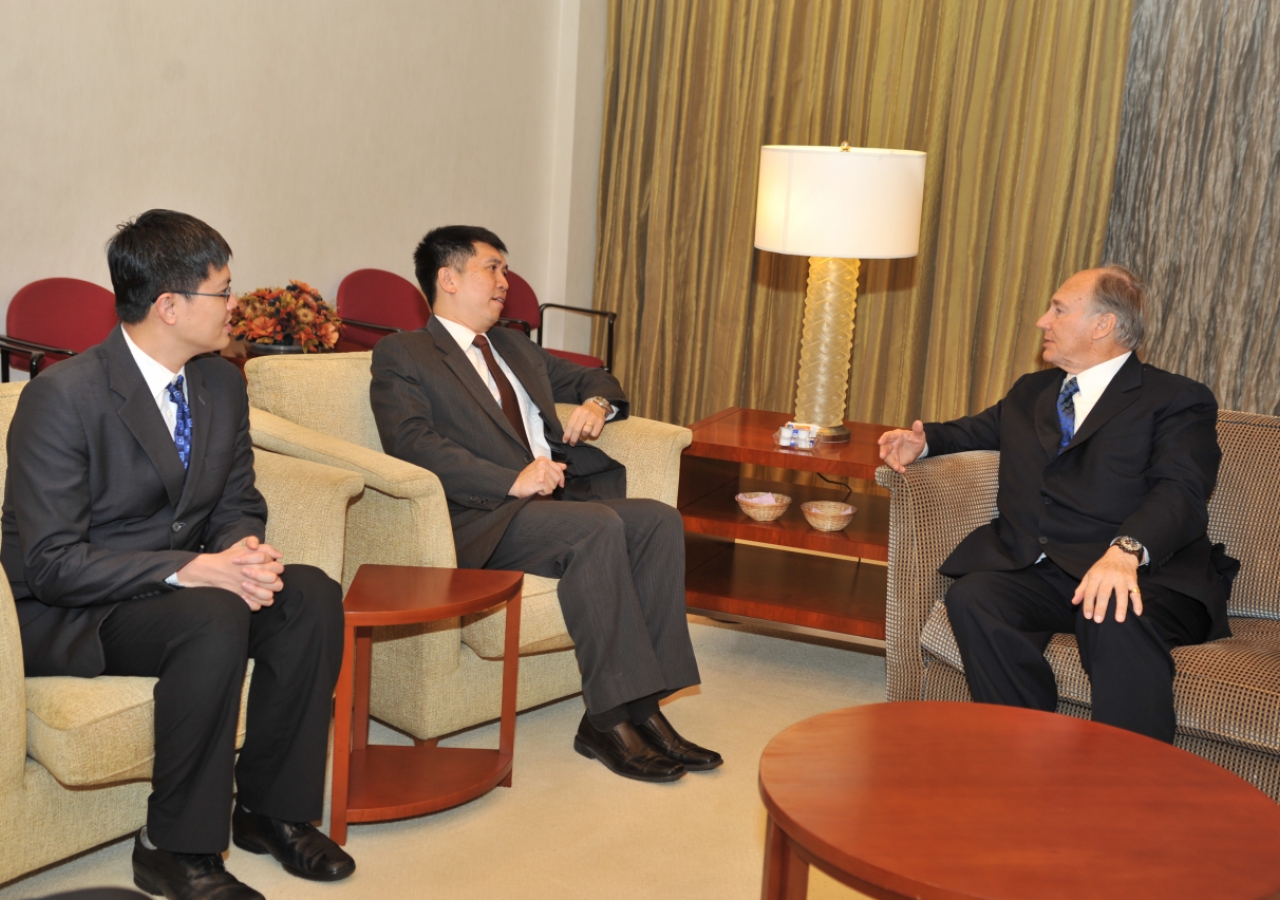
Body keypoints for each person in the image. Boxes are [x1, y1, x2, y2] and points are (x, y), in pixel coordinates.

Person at [2, 210, 355, 900]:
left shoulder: (220, 382)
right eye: (222, 292)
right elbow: (48, 562)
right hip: (76, 610)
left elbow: (237, 500)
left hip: (177, 590)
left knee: (310, 595)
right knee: (213, 616)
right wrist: (189, 569)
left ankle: (271, 812)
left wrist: (242, 552)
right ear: (169, 305)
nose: (236, 307)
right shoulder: (62, 398)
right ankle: (174, 846)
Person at [370, 225, 719, 783]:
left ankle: (645, 707)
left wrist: (598, 404)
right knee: (597, 529)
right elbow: (412, 442)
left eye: (506, 270)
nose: (505, 282)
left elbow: (596, 376)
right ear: (448, 278)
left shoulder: (512, 345)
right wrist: (512, 479)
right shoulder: (404, 353)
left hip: (557, 501)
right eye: (493, 268)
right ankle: (606, 721)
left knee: (658, 519)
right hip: (484, 513)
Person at [877, 265, 1235, 743]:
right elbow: (973, 432)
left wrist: (1125, 551)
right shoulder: (1033, 392)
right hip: (1045, 573)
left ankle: (1133, 785)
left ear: (1103, 325)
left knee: (1109, 612)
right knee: (974, 597)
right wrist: (919, 444)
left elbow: (1183, 490)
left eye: (1059, 309)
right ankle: (1028, 752)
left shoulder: (1175, 399)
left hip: (1143, 575)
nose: (1043, 321)